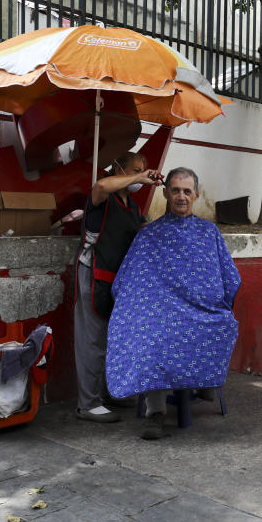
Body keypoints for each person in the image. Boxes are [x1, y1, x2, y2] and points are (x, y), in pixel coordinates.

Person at [106, 167, 241, 440]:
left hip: (201, 312)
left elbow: (230, 279)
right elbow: (125, 283)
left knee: (223, 323)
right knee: (153, 337)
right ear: (165, 193)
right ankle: (155, 413)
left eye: (187, 191)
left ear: (197, 195)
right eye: (176, 190)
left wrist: (216, 304)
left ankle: (203, 382)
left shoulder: (209, 233)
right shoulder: (149, 235)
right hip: (161, 314)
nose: (181, 196)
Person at [74, 151, 163, 424]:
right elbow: (100, 186)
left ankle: (109, 392)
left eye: (142, 170)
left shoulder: (133, 207)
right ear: (118, 169)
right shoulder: (104, 196)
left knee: (115, 340)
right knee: (93, 339)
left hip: (120, 280)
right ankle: (87, 404)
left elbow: (144, 231)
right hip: (94, 272)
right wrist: (138, 176)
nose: (138, 176)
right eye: (133, 170)